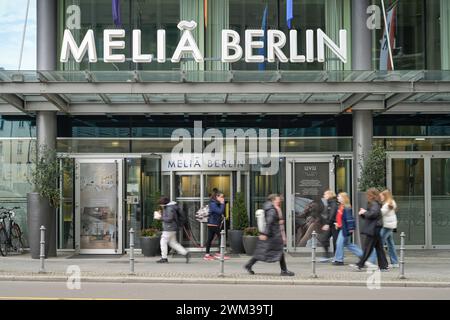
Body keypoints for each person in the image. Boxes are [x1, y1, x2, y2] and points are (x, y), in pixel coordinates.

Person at [244, 194, 295, 276]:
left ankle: (249, 265)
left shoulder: (271, 208)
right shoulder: (272, 210)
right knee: (275, 252)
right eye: (277, 199)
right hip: (272, 235)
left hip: (271, 235)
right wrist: (265, 234)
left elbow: (272, 221)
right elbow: (269, 222)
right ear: (273, 200)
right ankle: (284, 270)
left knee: (263, 252)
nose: (279, 201)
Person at [351, 188, 389, 271]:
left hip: (373, 228)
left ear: (371, 196)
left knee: (367, 248)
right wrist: (363, 213)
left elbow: (373, 214)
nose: (366, 196)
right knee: (379, 248)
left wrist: (364, 212)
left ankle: (360, 265)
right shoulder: (375, 203)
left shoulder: (374, 204)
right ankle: (384, 266)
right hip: (375, 228)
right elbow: (371, 215)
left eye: (368, 195)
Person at [367, 190, 399, 268]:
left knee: (377, 243)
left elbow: (379, 213)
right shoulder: (391, 202)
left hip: (386, 226)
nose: (380, 197)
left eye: (381, 196)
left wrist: (367, 212)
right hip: (390, 225)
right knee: (390, 244)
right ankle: (395, 262)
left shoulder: (387, 205)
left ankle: (372, 261)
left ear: (385, 196)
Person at [331, 192, 363, 265]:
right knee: (348, 244)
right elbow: (341, 218)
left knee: (339, 243)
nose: (337, 198)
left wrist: (350, 228)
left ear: (343, 198)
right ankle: (363, 255)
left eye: (339, 196)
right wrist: (338, 224)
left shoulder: (346, 207)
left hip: (345, 229)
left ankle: (339, 260)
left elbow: (349, 219)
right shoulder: (341, 206)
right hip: (343, 227)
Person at [157, 196, 190, 264]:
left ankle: (164, 258)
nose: (160, 206)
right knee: (173, 243)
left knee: (163, 242)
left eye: (161, 204)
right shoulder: (172, 206)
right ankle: (185, 253)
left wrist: (160, 218)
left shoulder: (169, 208)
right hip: (172, 228)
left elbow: (169, 218)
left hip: (169, 228)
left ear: (164, 203)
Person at [203, 190, 229, 261]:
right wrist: (222, 203)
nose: (223, 198)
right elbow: (220, 211)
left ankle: (207, 255)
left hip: (213, 223)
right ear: (217, 196)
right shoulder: (213, 203)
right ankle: (220, 254)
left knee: (210, 239)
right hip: (213, 224)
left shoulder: (214, 203)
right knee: (221, 236)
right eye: (221, 197)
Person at [319, 190, 339, 260]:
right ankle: (327, 255)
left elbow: (332, 214)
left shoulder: (333, 203)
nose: (324, 196)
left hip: (334, 224)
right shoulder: (329, 203)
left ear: (330, 195)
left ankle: (337, 257)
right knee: (324, 239)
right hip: (331, 224)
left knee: (336, 241)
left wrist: (327, 223)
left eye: (325, 194)